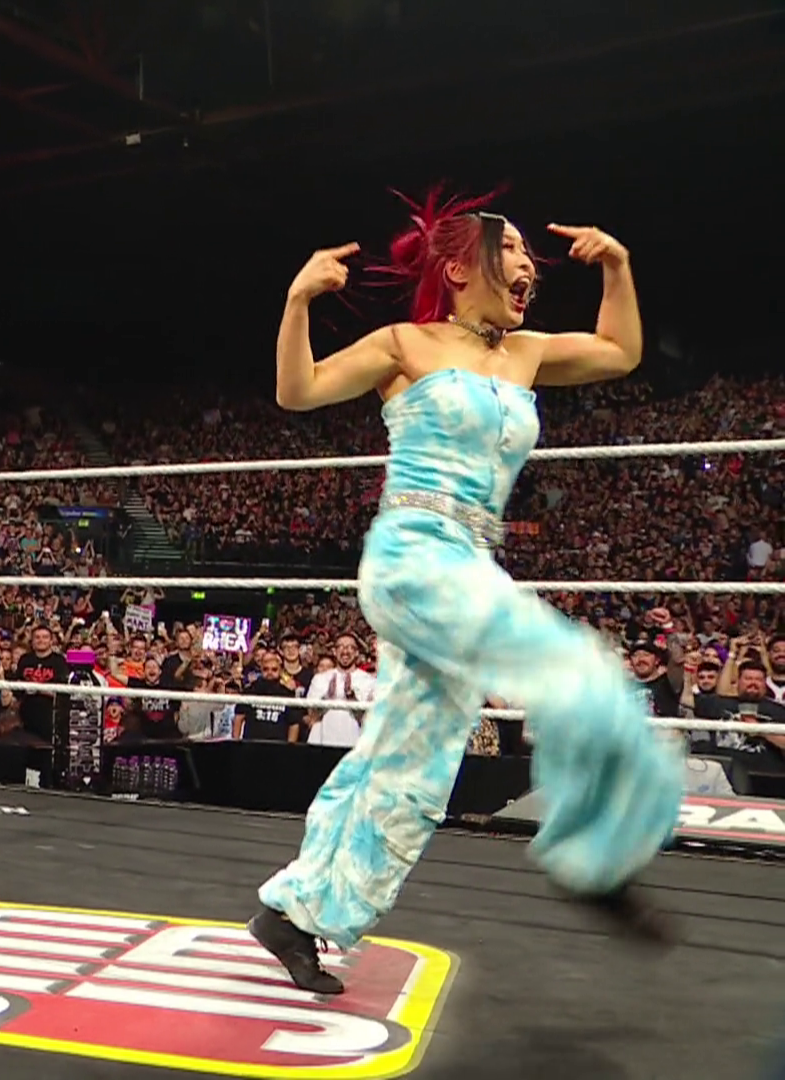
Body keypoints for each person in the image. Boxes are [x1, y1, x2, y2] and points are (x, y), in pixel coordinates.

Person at [251, 189, 684, 992]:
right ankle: (598, 855)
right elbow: (298, 390)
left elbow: (619, 351)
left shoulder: (526, 353)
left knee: (410, 762)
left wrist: (618, 267)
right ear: (459, 269)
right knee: (574, 665)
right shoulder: (404, 344)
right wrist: (297, 301)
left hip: (472, 562)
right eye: (509, 248)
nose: (527, 265)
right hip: (415, 558)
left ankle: (296, 912)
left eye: (526, 253)